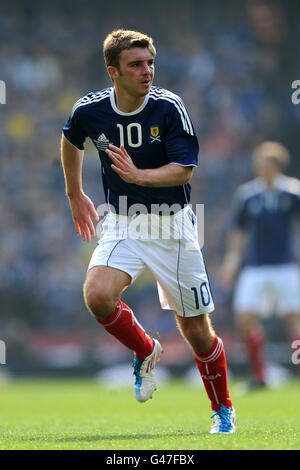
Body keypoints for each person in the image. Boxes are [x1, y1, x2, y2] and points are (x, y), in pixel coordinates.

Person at [61, 29, 235, 433]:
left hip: (171, 225)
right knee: (97, 295)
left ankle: (222, 409)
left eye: (150, 63)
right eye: (136, 65)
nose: (147, 71)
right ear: (113, 72)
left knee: (196, 331)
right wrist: (74, 193)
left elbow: (184, 168)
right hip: (122, 221)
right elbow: (70, 138)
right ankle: (145, 350)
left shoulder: (169, 107)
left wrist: (139, 175)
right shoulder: (90, 111)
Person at [219, 141, 300, 389]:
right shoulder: (247, 195)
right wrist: (232, 263)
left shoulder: (292, 192)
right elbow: (238, 232)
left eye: (264, 163)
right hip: (255, 266)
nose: (259, 167)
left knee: (294, 319)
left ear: (277, 165)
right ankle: (259, 375)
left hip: (285, 265)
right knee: (244, 317)